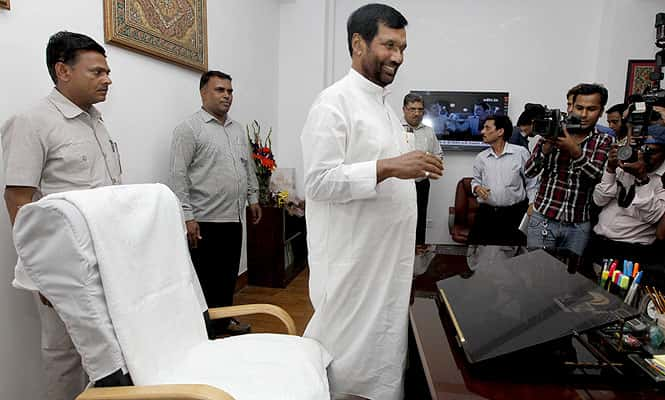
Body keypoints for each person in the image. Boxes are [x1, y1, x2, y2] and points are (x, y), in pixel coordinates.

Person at [300, 4, 443, 399]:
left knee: (382, 356)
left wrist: (406, 168)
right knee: (347, 361)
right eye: (389, 45)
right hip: (354, 265)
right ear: (358, 43)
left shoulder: (381, 105)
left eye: (403, 47)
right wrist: (391, 166)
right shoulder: (333, 104)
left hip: (386, 263)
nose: (398, 56)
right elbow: (319, 182)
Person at [1, 31, 121, 399]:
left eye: (107, 71)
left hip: (105, 259)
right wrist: (42, 273)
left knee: (108, 354)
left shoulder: (95, 121)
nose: (107, 79)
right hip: (62, 267)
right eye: (97, 72)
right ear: (62, 71)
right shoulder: (32, 121)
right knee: (65, 357)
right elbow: (18, 199)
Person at [168, 70, 261, 336]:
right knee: (204, 280)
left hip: (233, 218)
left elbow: (249, 167)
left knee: (228, 276)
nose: (227, 96)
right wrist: (187, 216)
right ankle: (203, 331)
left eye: (230, 91)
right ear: (203, 92)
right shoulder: (189, 129)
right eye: (220, 90)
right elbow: (178, 176)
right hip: (204, 221)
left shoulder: (237, 129)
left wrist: (253, 198)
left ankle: (223, 321)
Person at [525, 83, 613, 257]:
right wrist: (546, 147)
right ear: (572, 106)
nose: (584, 114)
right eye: (579, 107)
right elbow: (529, 172)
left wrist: (575, 151)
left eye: (591, 109)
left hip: (578, 222)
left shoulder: (604, 140)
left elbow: (597, 176)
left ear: (601, 111)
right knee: (535, 274)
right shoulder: (554, 131)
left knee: (572, 277)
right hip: (543, 217)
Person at [588, 124, 665, 265]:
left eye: (651, 152)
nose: (643, 155)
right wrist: (610, 169)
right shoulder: (626, 164)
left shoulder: (663, 179)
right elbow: (599, 200)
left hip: (630, 252)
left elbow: (654, 217)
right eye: (642, 149)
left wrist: (642, 178)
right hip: (598, 242)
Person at [469, 115, 537, 245]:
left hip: (513, 215)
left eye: (487, 128)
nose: (482, 132)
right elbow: (475, 181)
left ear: (500, 131)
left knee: (513, 257)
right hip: (486, 215)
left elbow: (532, 181)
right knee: (482, 255)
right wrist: (477, 188)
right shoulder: (481, 157)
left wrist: (532, 204)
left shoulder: (520, 153)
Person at [402, 93, 443, 247]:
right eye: (412, 109)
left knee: (419, 218)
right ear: (404, 109)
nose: (417, 113)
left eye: (420, 109)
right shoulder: (393, 128)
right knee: (399, 219)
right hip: (398, 184)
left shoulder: (428, 131)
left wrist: (428, 172)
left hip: (421, 184)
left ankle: (418, 252)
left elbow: (438, 155)